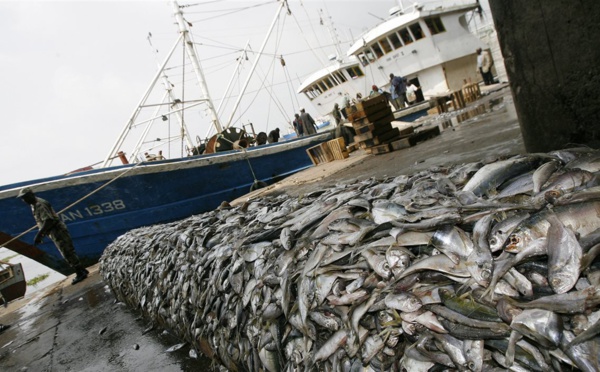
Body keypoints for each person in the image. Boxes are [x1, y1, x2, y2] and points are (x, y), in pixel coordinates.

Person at [17, 188, 89, 285]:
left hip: (57, 230)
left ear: (31, 194)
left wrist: (39, 235)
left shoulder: (39, 204)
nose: (24, 200)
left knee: (67, 251)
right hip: (53, 231)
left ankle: (80, 273)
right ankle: (82, 270)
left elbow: (48, 220)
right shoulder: (33, 205)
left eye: (25, 197)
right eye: (22, 198)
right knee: (67, 250)